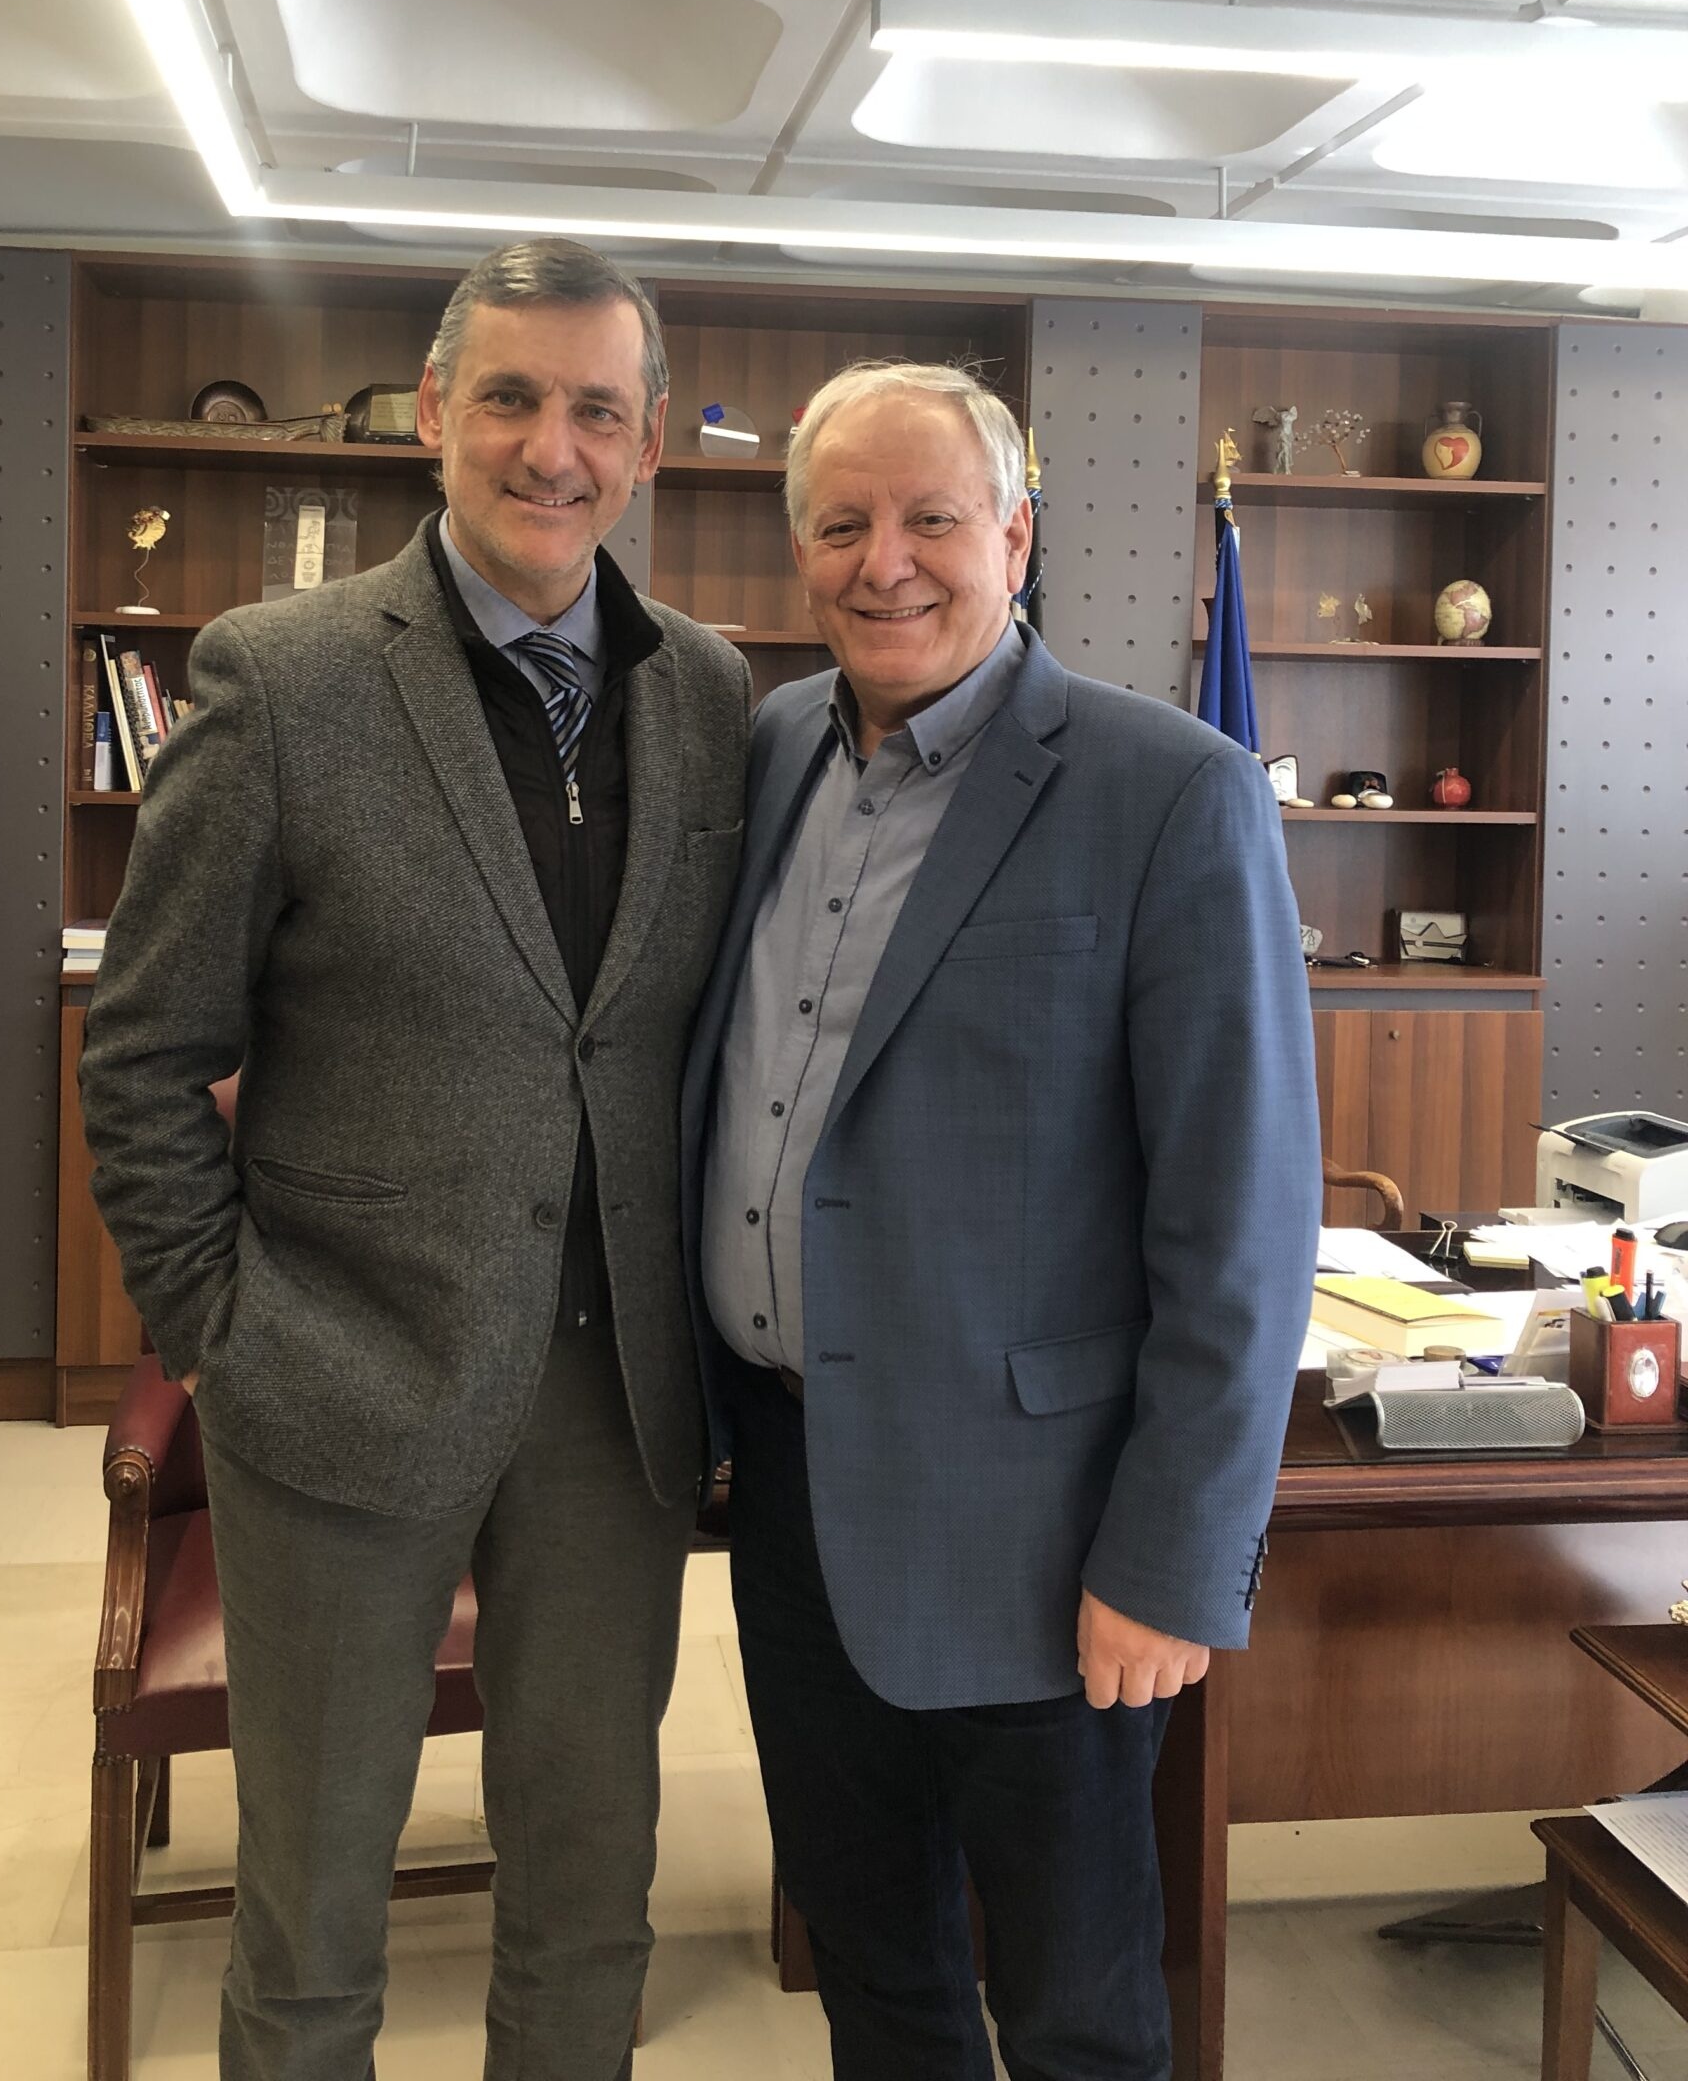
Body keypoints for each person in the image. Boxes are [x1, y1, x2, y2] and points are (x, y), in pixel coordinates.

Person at [80, 237, 750, 2081]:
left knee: (591, 1900)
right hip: (340, 1382)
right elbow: (143, 1054)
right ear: (438, 412)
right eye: (512, 398)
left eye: (597, 410)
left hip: (618, 1405)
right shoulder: (282, 680)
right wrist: (220, 1334)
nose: (553, 447)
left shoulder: (711, 695)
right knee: (311, 1926)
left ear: (648, 447)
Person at [683, 361, 1320, 2080]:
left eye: (932, 519)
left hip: (1042, 1539)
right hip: (792, 1493)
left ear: (1016, 538)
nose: (884, 561)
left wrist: (1171, 1561)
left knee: (1075, 2013)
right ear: (800, 548)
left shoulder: (1169, 791)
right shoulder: (767, 753)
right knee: (873, 1972)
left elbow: (1242, 1226)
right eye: (842, 523)